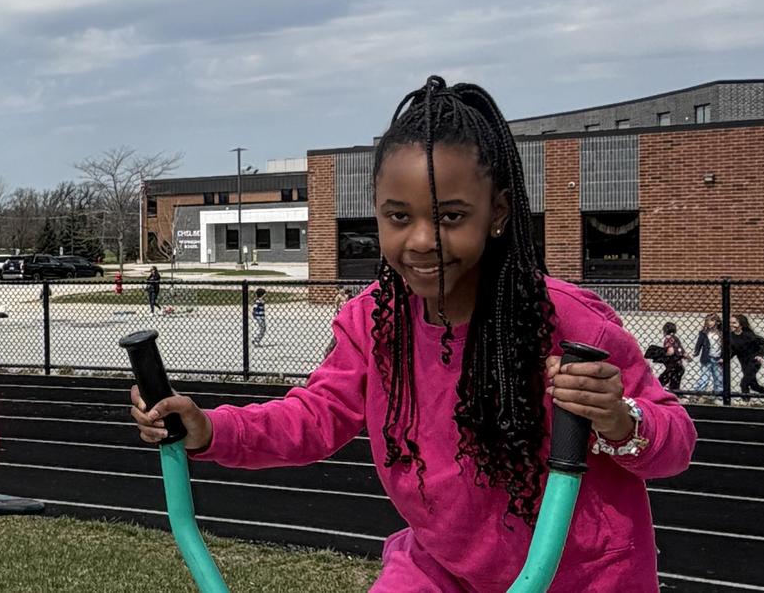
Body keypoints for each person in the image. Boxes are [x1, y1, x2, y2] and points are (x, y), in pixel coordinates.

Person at [129, 77, 695, 591]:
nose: (422, 240)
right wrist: (209, 430)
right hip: (441, 568)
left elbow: (676, 441)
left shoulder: (566, 320)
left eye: (450, 216)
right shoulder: (372, 323)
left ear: (496, 212)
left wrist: (620, 420)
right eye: (398, 217)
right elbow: (314, 415)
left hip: (579, 576)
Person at [727, 314, 764, 397]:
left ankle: (746, 402)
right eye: (730, 323)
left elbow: (763, 343)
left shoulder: (749, 335)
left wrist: (760, 355)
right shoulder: (731, 336)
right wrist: (725, 359)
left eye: (734, 323)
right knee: (754, 386)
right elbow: (733, 351)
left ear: (741, 324)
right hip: (744, 363)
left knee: (744, 384)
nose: (731, 325)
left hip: (754, 362)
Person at [690, 313, 723, 394]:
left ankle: (719, 395)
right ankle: (698, 394)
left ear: (717, 322)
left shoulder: (721, 333)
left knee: (718, 378)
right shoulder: (704, 332)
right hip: (706, 358)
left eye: (712, 320)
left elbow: (726, 347)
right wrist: (696, 352)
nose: (709, 322)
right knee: (704, 378)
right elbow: (699, 343)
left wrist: (723, 357)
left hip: (718, 359)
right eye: (707, 321)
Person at [654, 322, 686, 391]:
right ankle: (675, 395)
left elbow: (670, 351)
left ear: (665, 331)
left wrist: (662, 355)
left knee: (661, 381)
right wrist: (685, 356)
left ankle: (656, 391)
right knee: (675, 384)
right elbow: (681, 350)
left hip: (672, 366)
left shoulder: (668, 339)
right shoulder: (676, 338)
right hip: (679, 366)